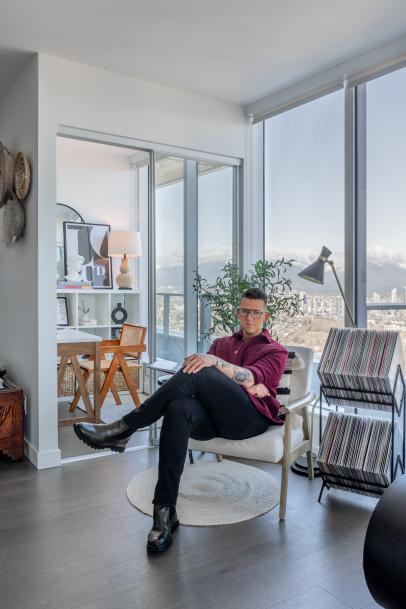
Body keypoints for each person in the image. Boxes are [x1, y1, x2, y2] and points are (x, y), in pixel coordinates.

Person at [74, 288, 288, 554]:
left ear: (265, 315)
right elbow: (215, 384)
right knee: (178, 407)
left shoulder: (275, 351)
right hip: (213, 418)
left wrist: (219, 366)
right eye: (245, 311)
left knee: (204, 369)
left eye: (256, 312)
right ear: (238, 312)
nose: (249, 317)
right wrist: (228, 374)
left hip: (247, 421)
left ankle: (126, 427)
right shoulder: (222, 344)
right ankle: (164, 514)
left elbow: (253, 377)